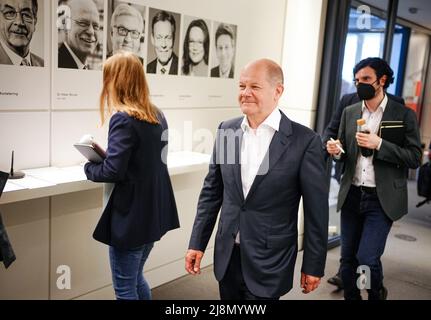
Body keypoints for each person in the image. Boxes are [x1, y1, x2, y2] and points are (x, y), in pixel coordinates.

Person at [185, 59, 329, 300]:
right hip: (228, 256)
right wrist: (197, 242)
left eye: (255, 87)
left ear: (278, 91)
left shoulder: (305, 141)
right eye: (242, 87)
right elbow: (211, 194)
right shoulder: (227, 131)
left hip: (270, 260)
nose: (245, 94)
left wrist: (313, 265)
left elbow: (316, 211)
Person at [84, 51, 180, 300]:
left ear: (116, 80)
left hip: (131, 218)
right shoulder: (157, 114)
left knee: (125, 287)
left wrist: (89, 168)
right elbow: (141, 162)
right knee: (136, 278)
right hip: (153, 213)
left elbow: (113, 171)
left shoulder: (123, 119)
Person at [327, 57, 422, 300]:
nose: (360, 85)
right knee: (348, 258)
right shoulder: (350, 112)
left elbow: (414, 157)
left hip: (381, 199)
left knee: (366, 258)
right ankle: (352, 296)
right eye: (357, 80)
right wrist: (337, 152)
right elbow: (344, 152)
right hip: (352, 194)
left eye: (366, 79)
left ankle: (374, 291)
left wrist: (379, 144)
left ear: (382, 80)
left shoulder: (402, 114)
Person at [58, 0, 100, 70]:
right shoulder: (58, 64)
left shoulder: (89, 68)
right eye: (83, 23)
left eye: (96, 26)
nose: (91, 32)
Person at [0, 0, 43, 66]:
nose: (19, 22)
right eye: (10, 13)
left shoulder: (42, 64)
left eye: (26, 14)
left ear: (35, 23)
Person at [146, 10, 178, 75]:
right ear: (152, 39)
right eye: (159, 37)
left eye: (168, 37)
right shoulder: (146, 68)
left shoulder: (182, 68)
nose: (163, 45)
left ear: (173, 39)